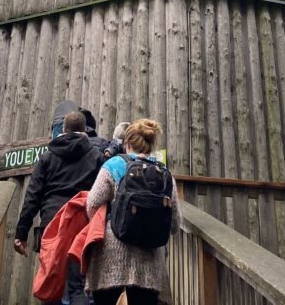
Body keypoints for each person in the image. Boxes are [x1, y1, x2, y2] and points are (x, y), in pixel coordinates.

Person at [84, 119, 179, 305]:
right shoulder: (164, 173)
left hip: (111, 255)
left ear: (126, 143)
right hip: (150, 259)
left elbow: (92, 205)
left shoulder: (113, 165)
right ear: (151, 145)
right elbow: (174, 224)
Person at [14, 110, 103, 305]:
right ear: (85, 130)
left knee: (52, 281)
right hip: (82, 224)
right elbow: (102, 194)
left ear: (63, 130)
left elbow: (32, 197)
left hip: (52, 223)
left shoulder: (47, 157)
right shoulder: (96, 156)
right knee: (78, 285)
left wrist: (21, 233)